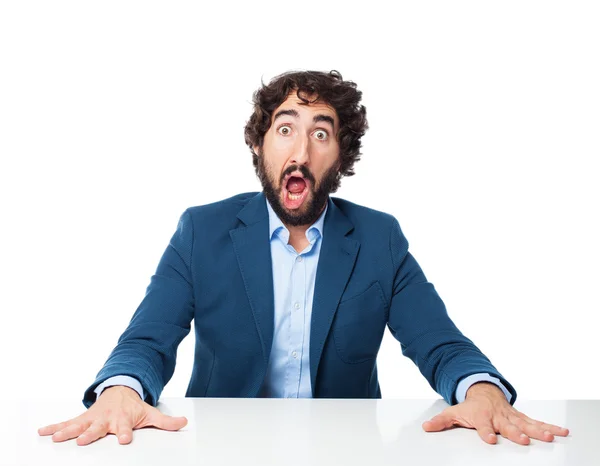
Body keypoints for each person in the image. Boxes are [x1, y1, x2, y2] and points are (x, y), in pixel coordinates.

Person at [38, 70, 569, 447]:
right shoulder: (202, 231)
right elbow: (146, 341)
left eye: (321, 133)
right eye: (285, 128)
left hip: (346, 451)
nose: (301, 151)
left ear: (341, 156)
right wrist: (120, 392)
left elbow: (440, 342)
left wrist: (480, 390)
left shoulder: (379, 238)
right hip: (224, 450)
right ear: (259, 146)